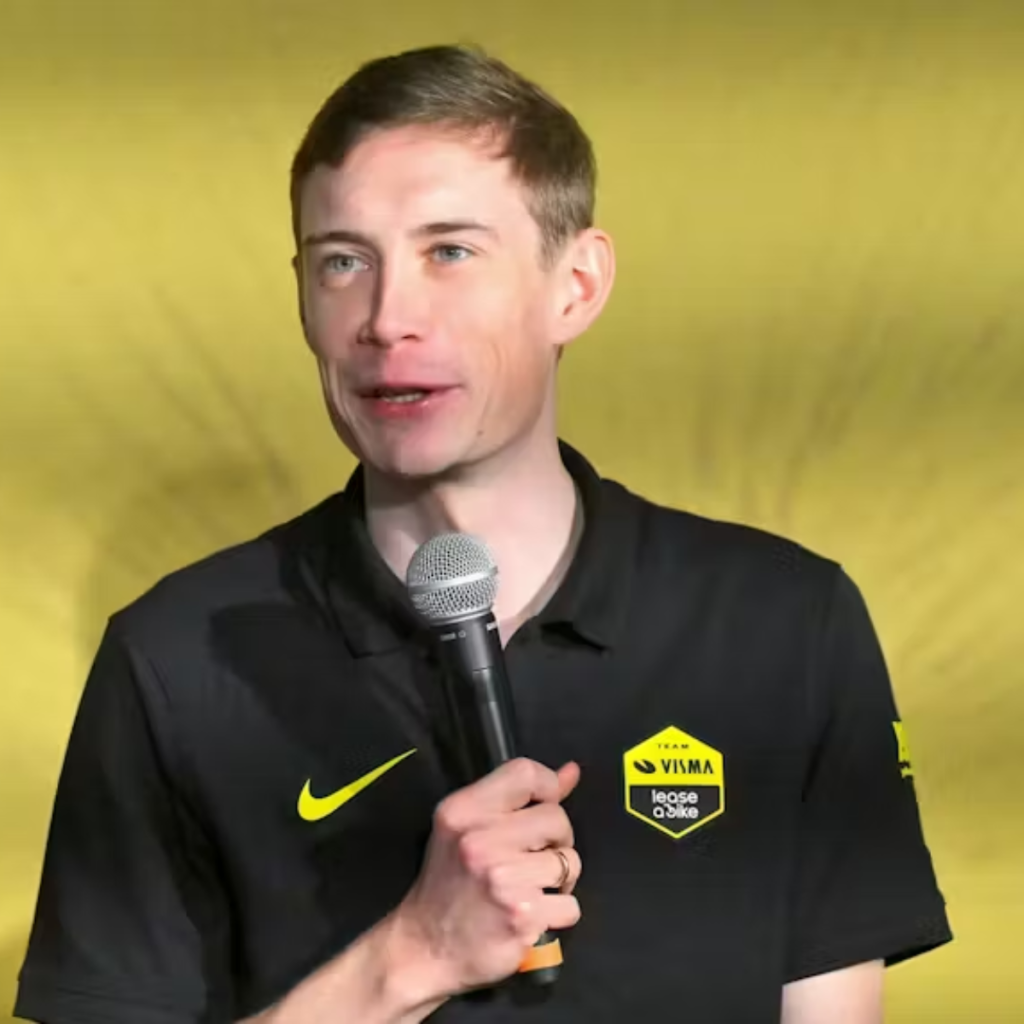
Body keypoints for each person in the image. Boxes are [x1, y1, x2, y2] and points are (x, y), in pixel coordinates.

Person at [15, 44, 951, 1024]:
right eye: (343, 262)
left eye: (449, 252)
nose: (387, 318)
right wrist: (412, 955)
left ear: (575, 286)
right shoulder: (171, 660)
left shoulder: (783, 625)